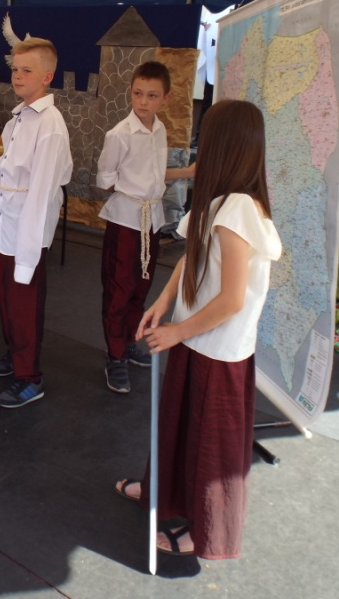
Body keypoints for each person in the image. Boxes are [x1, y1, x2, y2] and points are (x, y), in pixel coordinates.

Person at [115, 99, 282, 560]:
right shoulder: (220, 202)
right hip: (197, 337)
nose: (198, 145)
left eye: (206, 137)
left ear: (223, 145)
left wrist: (178, 331)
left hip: (215, 345)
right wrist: (164, 302)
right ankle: (159, 491)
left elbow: (231, 299)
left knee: (211, 446)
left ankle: (204, 532)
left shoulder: (239, 209)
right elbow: (193, 258)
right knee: (179, 425)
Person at [0, 37, 72, 408]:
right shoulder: (20, 117)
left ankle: (30, 377)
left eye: (27, 71)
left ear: (47, 76)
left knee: (25, 303)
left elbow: (42, 192)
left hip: (26, 230)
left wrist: (29, 251)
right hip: (9, 224)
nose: (17, 76)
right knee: (7, 298)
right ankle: (16, 351)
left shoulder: (50, 125)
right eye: (15, 70)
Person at [97, 61, 196, 394]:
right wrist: (133, 194)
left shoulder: (160, 130)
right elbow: (105, 179)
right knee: (118, 290)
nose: (143, 101)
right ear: (130, 92)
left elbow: (154, 174)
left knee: (141, 286)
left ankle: (128, 342)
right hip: (126, 221)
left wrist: (188, 172)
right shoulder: (119, 134)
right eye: (138, 93)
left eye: (152, 96)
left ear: (165, 99)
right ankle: (114, 355)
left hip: (151, 220)